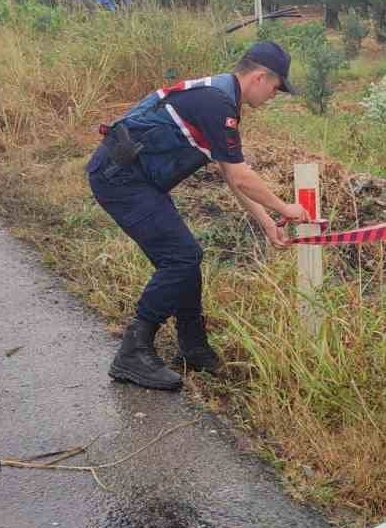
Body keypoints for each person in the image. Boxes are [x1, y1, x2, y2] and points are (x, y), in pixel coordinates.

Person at [85, 41, 310, 391]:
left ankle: (193, 347)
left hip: (135, 179)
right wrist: (286, 208)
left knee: (184, 256)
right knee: (182, 257)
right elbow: (241, 176)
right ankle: (133, 351)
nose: (273, 97)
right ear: (259, 77)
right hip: (120, 179)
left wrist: (268, 223)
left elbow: (230, 173)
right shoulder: (218, 103)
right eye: (276, 88)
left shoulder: (220, 97)